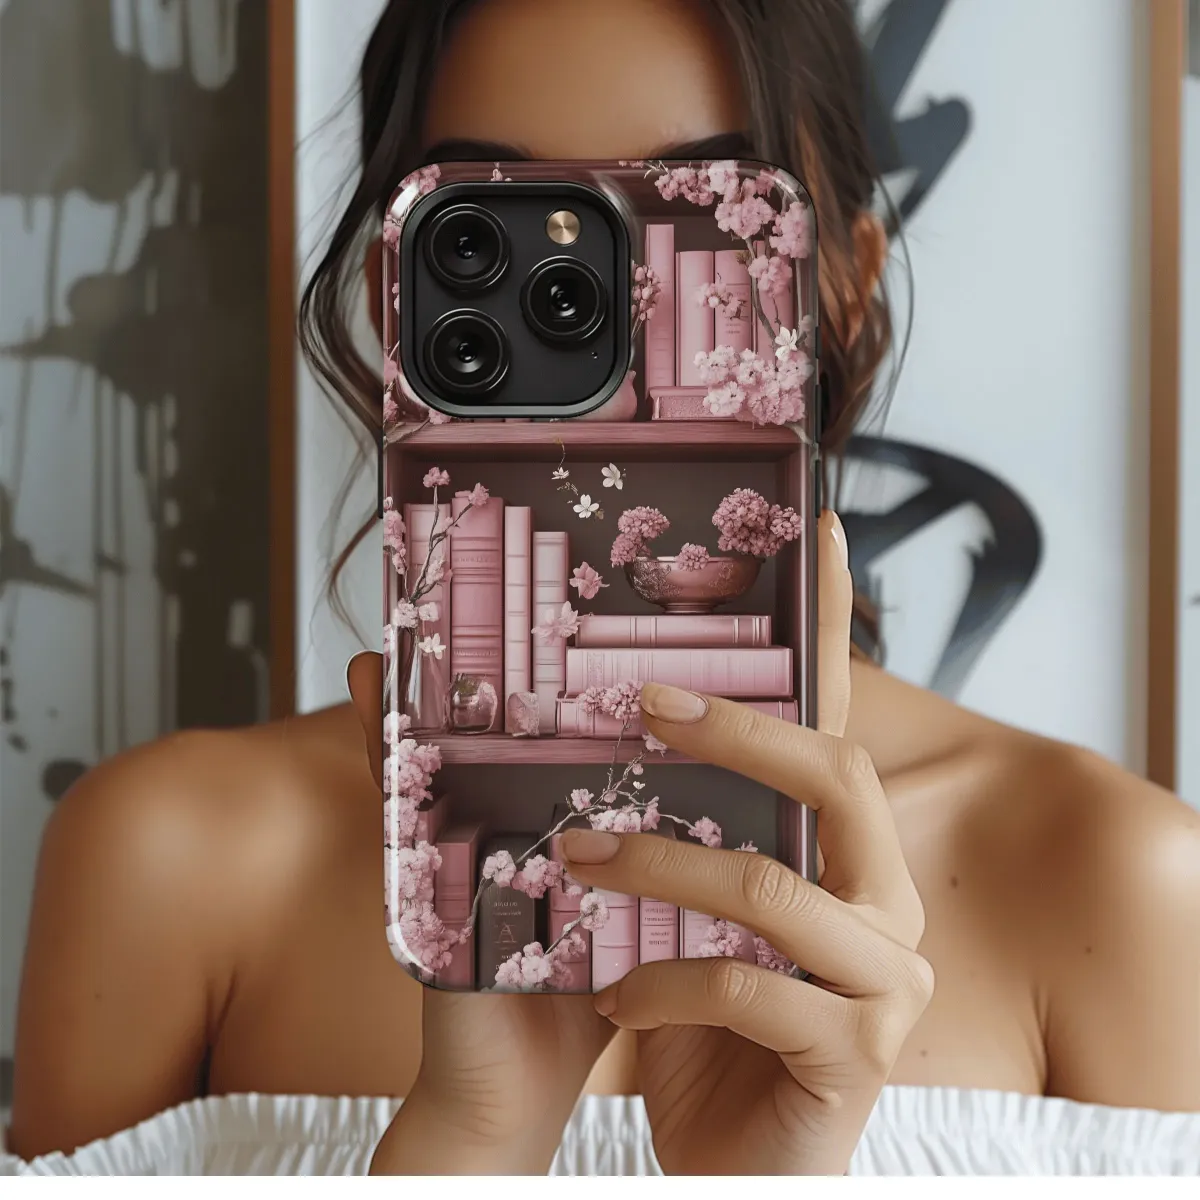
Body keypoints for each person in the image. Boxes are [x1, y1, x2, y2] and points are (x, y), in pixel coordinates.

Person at [6, 0, 1200, 1176]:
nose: (600, 311)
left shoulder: (1116, 885)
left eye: (699, 218)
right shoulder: (171, 865)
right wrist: (476, 1141)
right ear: (394, 298)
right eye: (489, 232)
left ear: (842, 287)